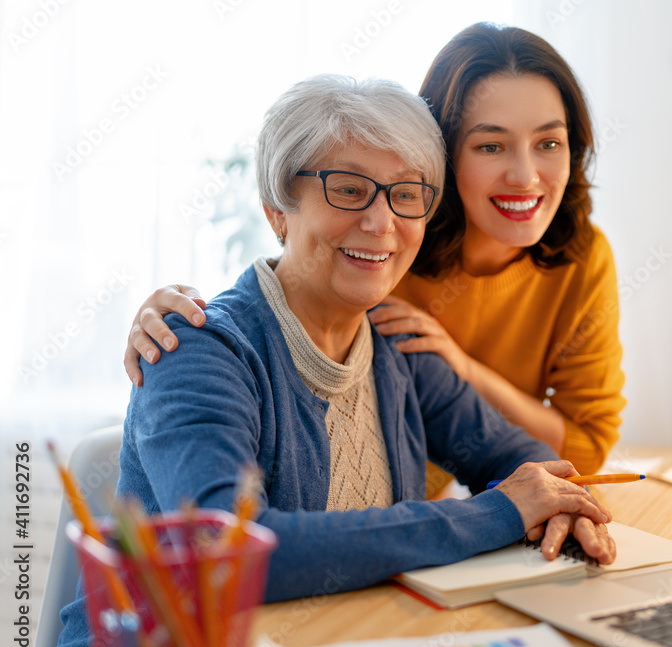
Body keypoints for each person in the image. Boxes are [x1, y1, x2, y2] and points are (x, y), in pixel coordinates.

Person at [49, 74, 615, 647]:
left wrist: (556, 505)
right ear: (277, 209)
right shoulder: (197, 349)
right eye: (349, 190)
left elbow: (520, 460)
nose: (381, 222)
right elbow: (236, 555)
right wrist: (501, 512)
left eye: (406, 194)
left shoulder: (399, 344)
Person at [123, 24, 626, 493]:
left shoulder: (398, 285)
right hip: (405, 538)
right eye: (491, 145)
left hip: (411, 547)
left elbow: (560, 456)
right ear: (445, 160)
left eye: (549, 142)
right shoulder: (378, 264)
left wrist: (466, 372)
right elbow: (277, 311)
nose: (524, 175)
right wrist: (186, 326)